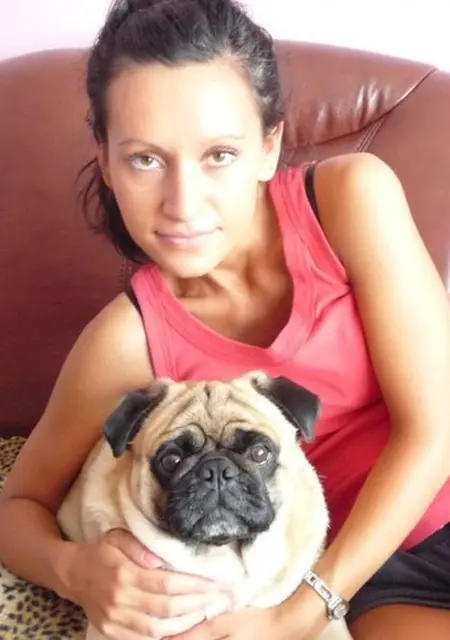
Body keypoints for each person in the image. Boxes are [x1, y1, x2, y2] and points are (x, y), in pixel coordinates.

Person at [1, 0, 450, 638]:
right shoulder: (125, 342)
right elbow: (17, 509)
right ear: (105, 161)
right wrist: (77, 571)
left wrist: (300, 612)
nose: (183, 204)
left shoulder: (350, 198)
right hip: (376, 575)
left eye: (219, 154)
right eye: (146, 159)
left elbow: (435, 429)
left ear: (269, 147)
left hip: (348, 569)